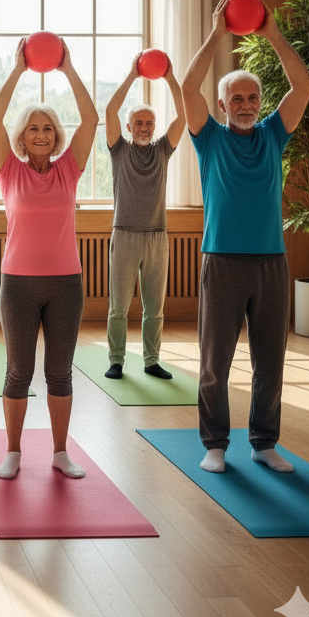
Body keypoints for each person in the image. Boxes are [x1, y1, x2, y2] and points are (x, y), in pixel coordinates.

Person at [181, 0, 309, 474]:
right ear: (222, 105)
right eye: (236, 98)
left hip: (271, 263)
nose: (245, 105)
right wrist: (219, 34)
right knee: (215, 359)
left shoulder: (274, 134)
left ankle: (263, 441)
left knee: (270, 361)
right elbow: (186, 86)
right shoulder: (209, 137)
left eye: (252, 97)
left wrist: (272, 33)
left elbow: (303, 84)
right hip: (222, 260)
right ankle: (215, 443)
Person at [0, 37, 99, 480]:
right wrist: (17, 69)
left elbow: (91, 119)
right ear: (22, 136)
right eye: (33, 128)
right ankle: (12, 451)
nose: (40, 134)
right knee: (18, 371)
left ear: (56, 138)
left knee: (59, 373)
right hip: (17, 283)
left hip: (65, 284)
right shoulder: (8, 170)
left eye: (47, 128)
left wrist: (68, 69)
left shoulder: (69, 169)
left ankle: (59, 452)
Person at [103, 54, 185, 380]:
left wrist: (170, 77)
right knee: (118, 307)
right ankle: (116, 360)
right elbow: (109, 110)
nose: (144, 128)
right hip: (124, 234)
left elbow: (184, 114)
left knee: (155, 308)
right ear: (128, 126)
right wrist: (132, 74)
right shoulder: (118, 149)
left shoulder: (163, 149)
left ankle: (151, 361)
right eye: (138, 122)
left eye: (149, 123)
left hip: (156, 236)